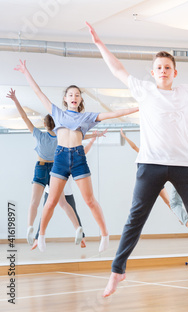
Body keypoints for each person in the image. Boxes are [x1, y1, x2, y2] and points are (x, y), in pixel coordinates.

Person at [86, 21, 188, 295]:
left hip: (184, 166)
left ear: (174, 72)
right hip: (150, 164)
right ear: (152, 72)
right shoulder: (144, 90)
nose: (163, 71)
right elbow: (118, 69)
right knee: (136, 217)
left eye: (167, 67)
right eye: (158, 67)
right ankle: (117, 271)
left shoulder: (187, 92)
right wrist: (100, 43)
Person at [14, 61, 139, 253]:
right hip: (61, 158)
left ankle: (105, 234)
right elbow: (39, 92)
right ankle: (42, 235)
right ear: (65, 98)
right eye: (71, 94)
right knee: (52, 201)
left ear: (80, 100)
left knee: (90, 200)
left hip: (79, 158)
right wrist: (25, 72)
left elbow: (115, 113)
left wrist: (140, 107)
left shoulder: (87, 117)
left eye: (77, 95)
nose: (74, 97)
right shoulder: (57, 113)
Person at [7, 88, 84, 246]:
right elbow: (78, 134)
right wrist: (92, 135)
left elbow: (24, 117)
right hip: (56, 171)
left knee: (34, 202)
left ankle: (30, 226)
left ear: (44, 124)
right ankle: (77, 228)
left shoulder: (39, 135)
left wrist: (15, 100)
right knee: (63, 203)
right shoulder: (62, 136)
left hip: (41, 168)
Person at [32, 132, 102, 250]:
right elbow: (83, 148)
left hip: (57, 190)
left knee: (48, 212)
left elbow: (82, 147)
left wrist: (91, 141)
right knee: (69, 212)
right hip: (61, 190)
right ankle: (39, 237)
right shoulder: (63, 158)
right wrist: (91, 140)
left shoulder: (61, 160)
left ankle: (39, 237)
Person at [120, 129, 173, 212]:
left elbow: (134, 147)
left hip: (153, 181)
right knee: (163, 201)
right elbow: (134, 147)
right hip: (148, 182)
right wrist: (124, 137)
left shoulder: (152, 155)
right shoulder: (143, 154)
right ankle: (181, 217)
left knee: (167, 201)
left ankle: (181, 218)